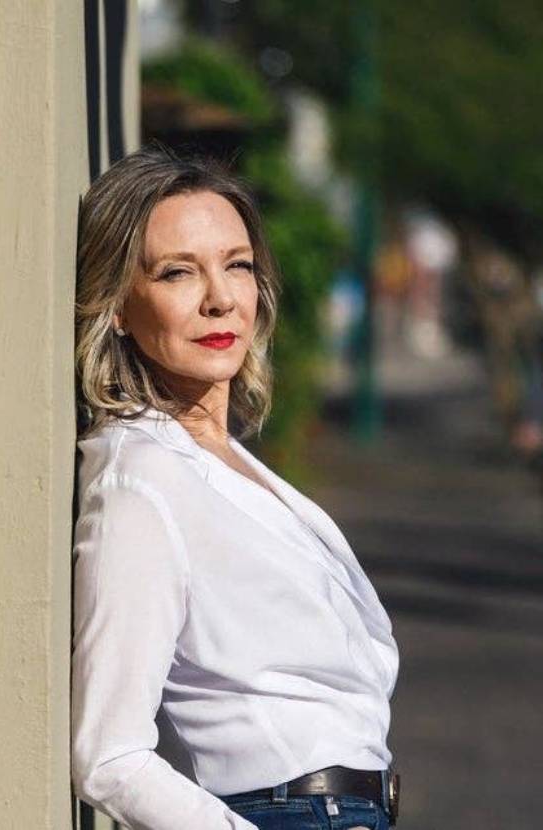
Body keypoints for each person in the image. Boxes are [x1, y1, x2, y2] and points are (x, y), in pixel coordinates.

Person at [71, 149, 400, 830]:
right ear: (121, 308)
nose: (219, 296)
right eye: (177, 272)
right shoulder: (141, 478)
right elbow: (108, 754)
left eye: (237, 264)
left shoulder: (222, 463)